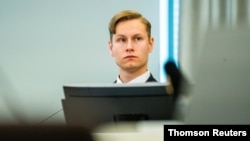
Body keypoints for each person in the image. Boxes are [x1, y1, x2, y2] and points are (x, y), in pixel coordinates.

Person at [108, 10, 157, 83]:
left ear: (150, 44)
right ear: (111, 48)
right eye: (122, 40)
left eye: (137, 39)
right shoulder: (100, 94)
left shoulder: (168, 94)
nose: (129, 47)